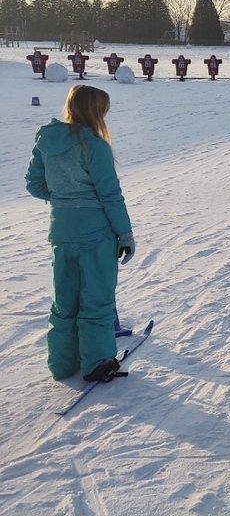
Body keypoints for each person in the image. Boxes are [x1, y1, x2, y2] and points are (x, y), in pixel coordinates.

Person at [25, 85, 135, 383]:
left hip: (61, 232)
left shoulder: (46, 141)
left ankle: (62, 364)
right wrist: (124, 234)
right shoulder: (94, 146)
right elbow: (110, 195)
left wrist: (65, 200)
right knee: (96, 298)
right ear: (94, 111)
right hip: (96, 235)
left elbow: (34, 184)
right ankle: (96, 362)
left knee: (65, 299)